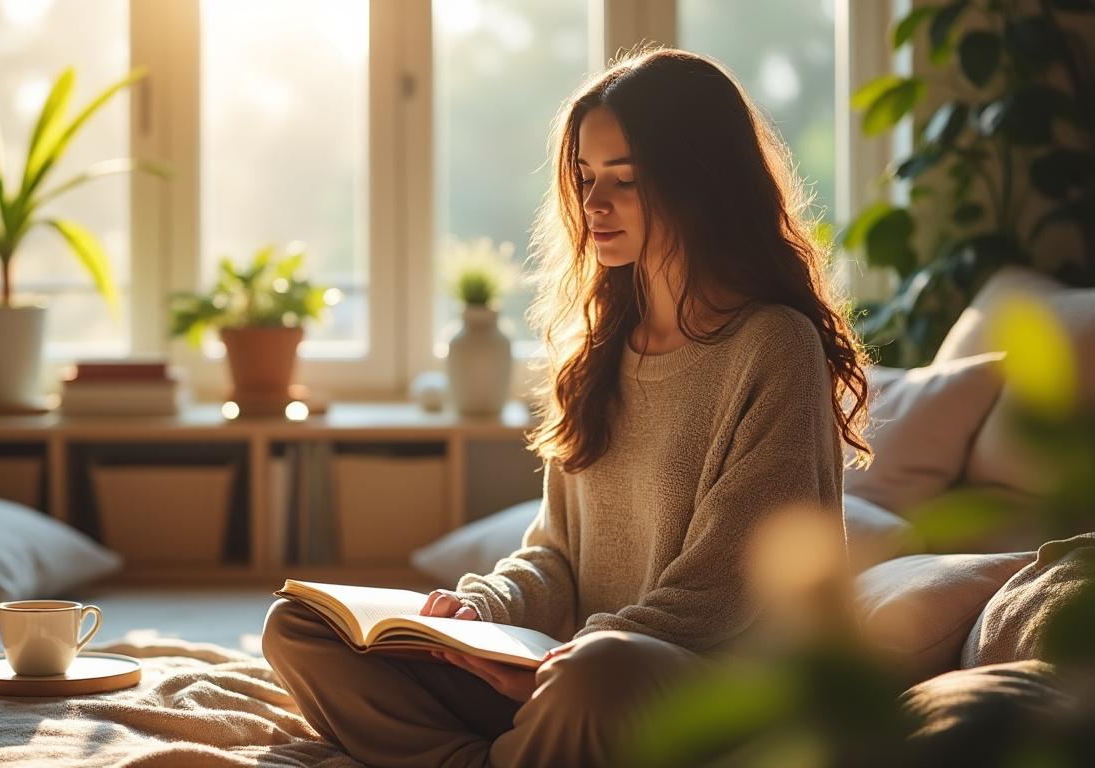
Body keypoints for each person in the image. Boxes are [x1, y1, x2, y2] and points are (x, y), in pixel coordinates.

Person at [262, 45, 873, 767]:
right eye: (585, 177)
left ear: (701, 185)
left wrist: (558, 660)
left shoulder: (774, 345)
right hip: (567, 672)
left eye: (627, 180)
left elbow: (723, 590)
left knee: (597, 677)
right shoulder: (603, 347)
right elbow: (557, 554)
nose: (594, 204)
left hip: (695, 683)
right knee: (297, 625)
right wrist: (482, 611)